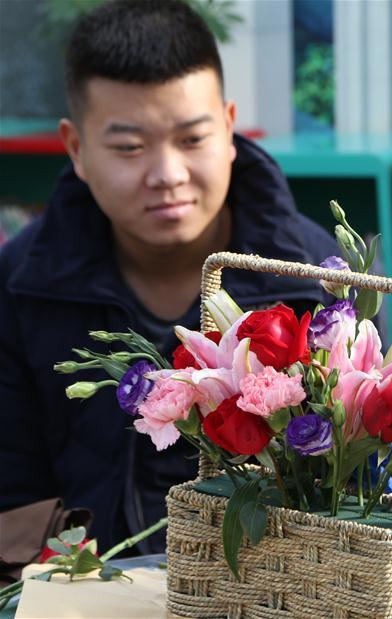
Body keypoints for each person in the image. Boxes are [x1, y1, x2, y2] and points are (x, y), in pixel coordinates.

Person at [0, 0, 338, 558]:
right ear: (76, 149)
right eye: (129, 147)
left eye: (192, 139)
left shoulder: (312, 283)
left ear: (229, 128)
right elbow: (12, 496)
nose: (167, 175)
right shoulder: (22, 284)